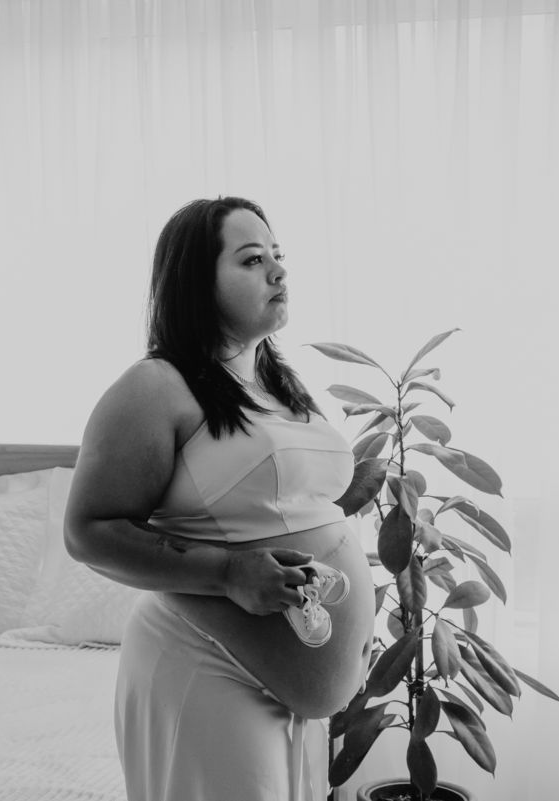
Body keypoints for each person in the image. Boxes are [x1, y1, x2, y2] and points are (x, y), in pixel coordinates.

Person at [64, 197, 376, 801]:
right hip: (205, 664)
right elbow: (88, 531)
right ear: (196, 282)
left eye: (278, 255)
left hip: (286, 694)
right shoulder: (156, 386)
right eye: (253, 260)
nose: (279, 271)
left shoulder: (276, 385)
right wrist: (228, 572)